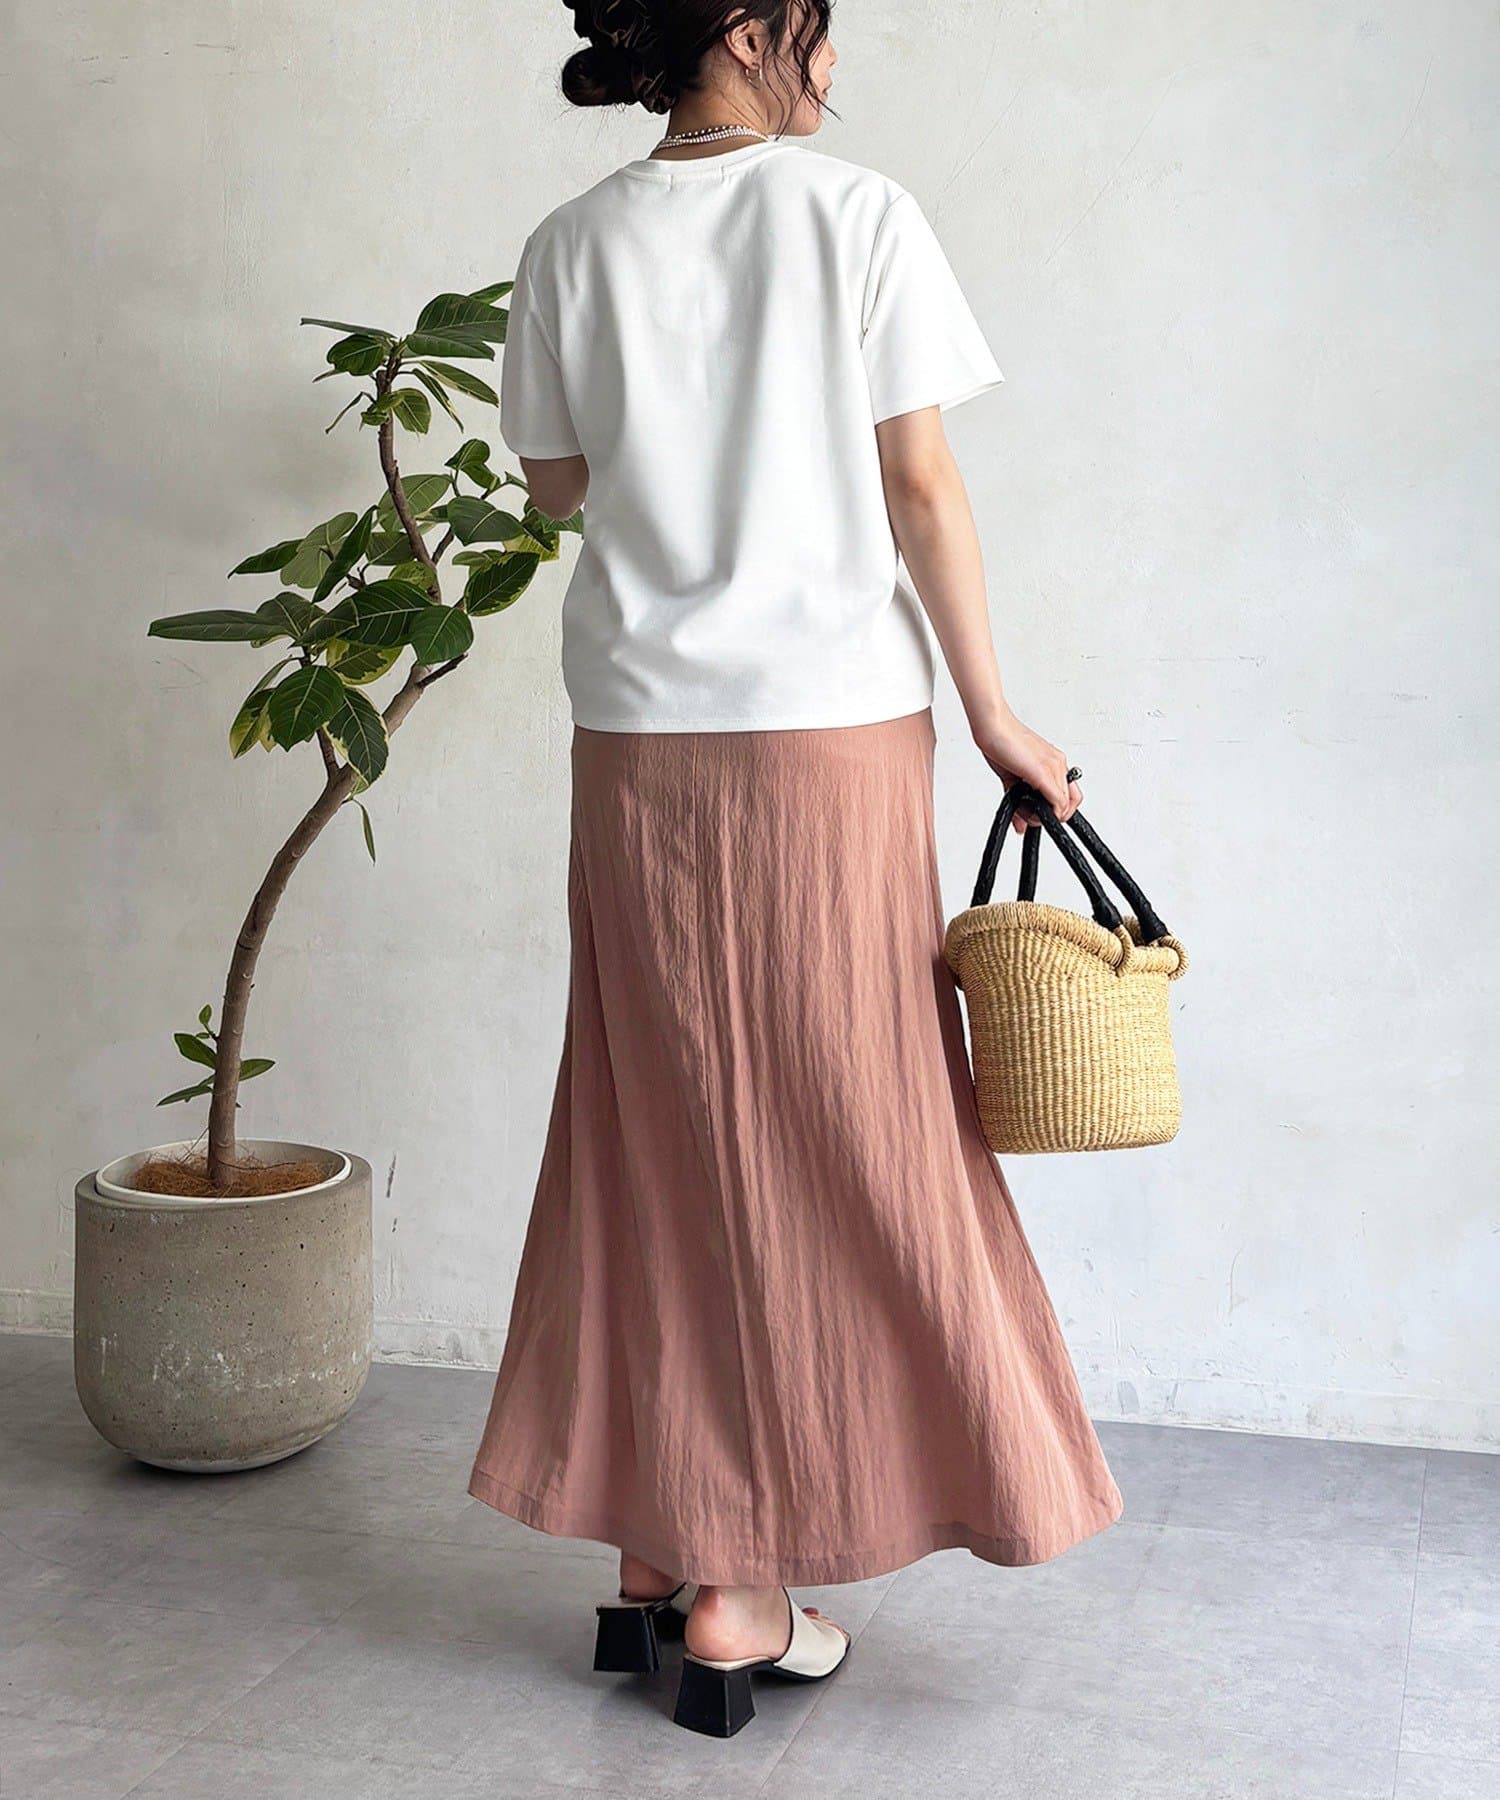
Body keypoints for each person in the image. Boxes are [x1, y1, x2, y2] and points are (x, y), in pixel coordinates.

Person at [468, 0, 1122, 1737]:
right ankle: (742, 1584)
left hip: (636, 737)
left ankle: (655, 1542)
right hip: (827, 729)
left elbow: (552, 489)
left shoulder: (569, 240)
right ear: (755, 32)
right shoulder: (857, 216)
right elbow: (923, 487)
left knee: (657, 1114)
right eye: (822, 31)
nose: (839, 65)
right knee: (844, 1122)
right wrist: (997, 715)